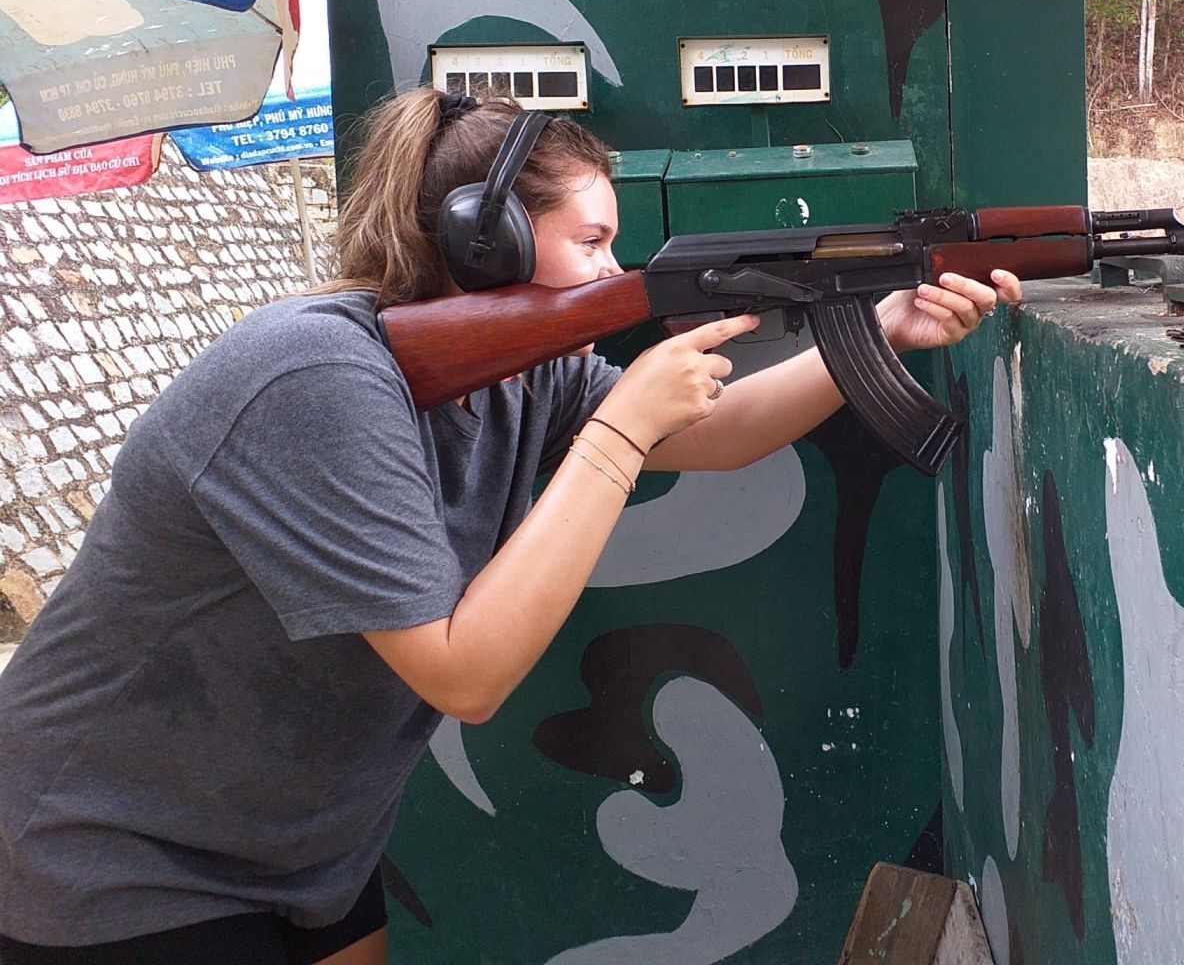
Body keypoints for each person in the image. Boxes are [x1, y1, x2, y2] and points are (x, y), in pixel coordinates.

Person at [0, 88, 1019, 965]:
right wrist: (615, 437)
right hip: (111, 853)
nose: (609, 272)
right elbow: (465, 673)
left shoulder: (517, 373)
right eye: (589, 243)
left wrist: (879, 330)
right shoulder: (312, 380)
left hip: (297, 842)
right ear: (481, 244)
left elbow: (715, 436)